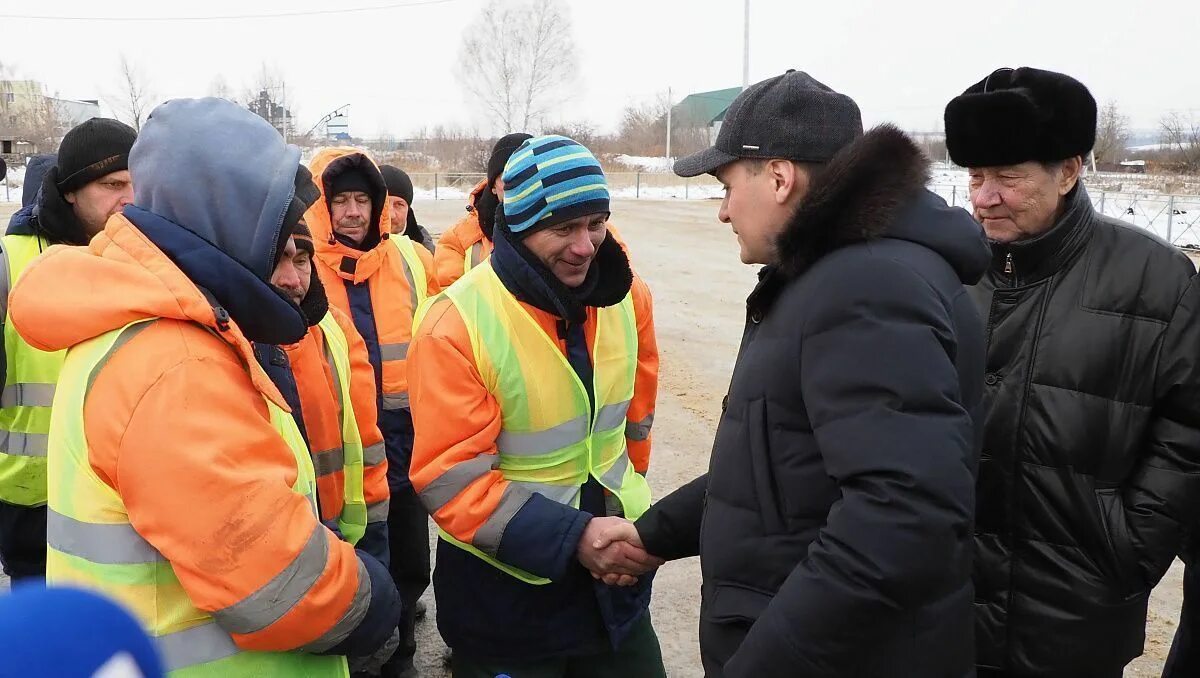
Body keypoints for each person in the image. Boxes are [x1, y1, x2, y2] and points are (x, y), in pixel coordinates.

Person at [598, 70, 991, 677]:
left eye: (728, 185)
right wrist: (655, 535)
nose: (723, 211)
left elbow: (899, 520)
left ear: (779, 178)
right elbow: (777, 465)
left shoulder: (865, 286)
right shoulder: (839, 275)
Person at [8, 98, 401, 675]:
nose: (291, 275)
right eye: (274, 239)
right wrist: (377, 605)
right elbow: (281, 584)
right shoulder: (175, 363)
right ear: (232, 222)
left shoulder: (153, 327)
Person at [941, 66, 1200, 678]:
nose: (983, 197)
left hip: (1072, 622)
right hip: (939, 615)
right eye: (975, 176)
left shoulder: (1158, 281)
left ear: (1069, 169)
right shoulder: (943, 270)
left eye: (1008, 177)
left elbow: (1189, 430)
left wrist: (1127, 548)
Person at [408, 134, 664, 677]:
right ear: (519, 227)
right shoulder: (453, 324)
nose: (585, 245)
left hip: (614, 591)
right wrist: (576, 537)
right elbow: (450, 478)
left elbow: (632, 424)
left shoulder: (628, 298)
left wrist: (624, 524)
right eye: (563, 227)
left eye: (596, 222)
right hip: (508, 605)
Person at [306, 148, 439, 678]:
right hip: (337, 450)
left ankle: (401, 654)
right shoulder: (300, 262)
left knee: (408, 561)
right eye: (341, 201)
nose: (354, 213)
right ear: (323, 206)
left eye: (363, 199)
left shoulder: (412, 260)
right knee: (343, 561)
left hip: (406, 442)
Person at [0, 119, 136, 583]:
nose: (129, 198)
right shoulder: (10, 264)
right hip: (34, 502)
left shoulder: (141, 261)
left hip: (125, 498)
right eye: (112, 184)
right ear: (72, 191)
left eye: (138, 184)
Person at [258, 223, 391, 573]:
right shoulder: (225, 340)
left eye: (302, 260)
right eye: (275, 261)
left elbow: (365, 438)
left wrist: (375, 525)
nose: (292, 279)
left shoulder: (337, 330)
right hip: (274, 553)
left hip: (347, 536)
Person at [433, 132, 531, 288]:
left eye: (529, 177)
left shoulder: (567, 229)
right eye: (509, 178)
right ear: (493, 186)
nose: (519, 187)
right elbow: (446, 300)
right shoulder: (458, 241)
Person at [380, 165, 434, 251]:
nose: (391, 215)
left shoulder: (427, 253)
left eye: (399, 205)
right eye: (383, 204)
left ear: (408, 210)